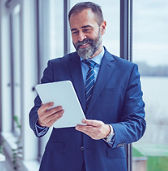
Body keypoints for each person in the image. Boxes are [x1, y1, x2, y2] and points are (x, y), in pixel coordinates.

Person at [29, 2, 146, 171]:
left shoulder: (127, 71)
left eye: (86, 29)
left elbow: (137, 124)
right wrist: (40, 121)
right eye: (74, 31)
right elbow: (35, 114)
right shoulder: (56, 67)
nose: (80, 37)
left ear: (103, 27)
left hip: (106, 164)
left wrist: (108, 131)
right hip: (59, 164)